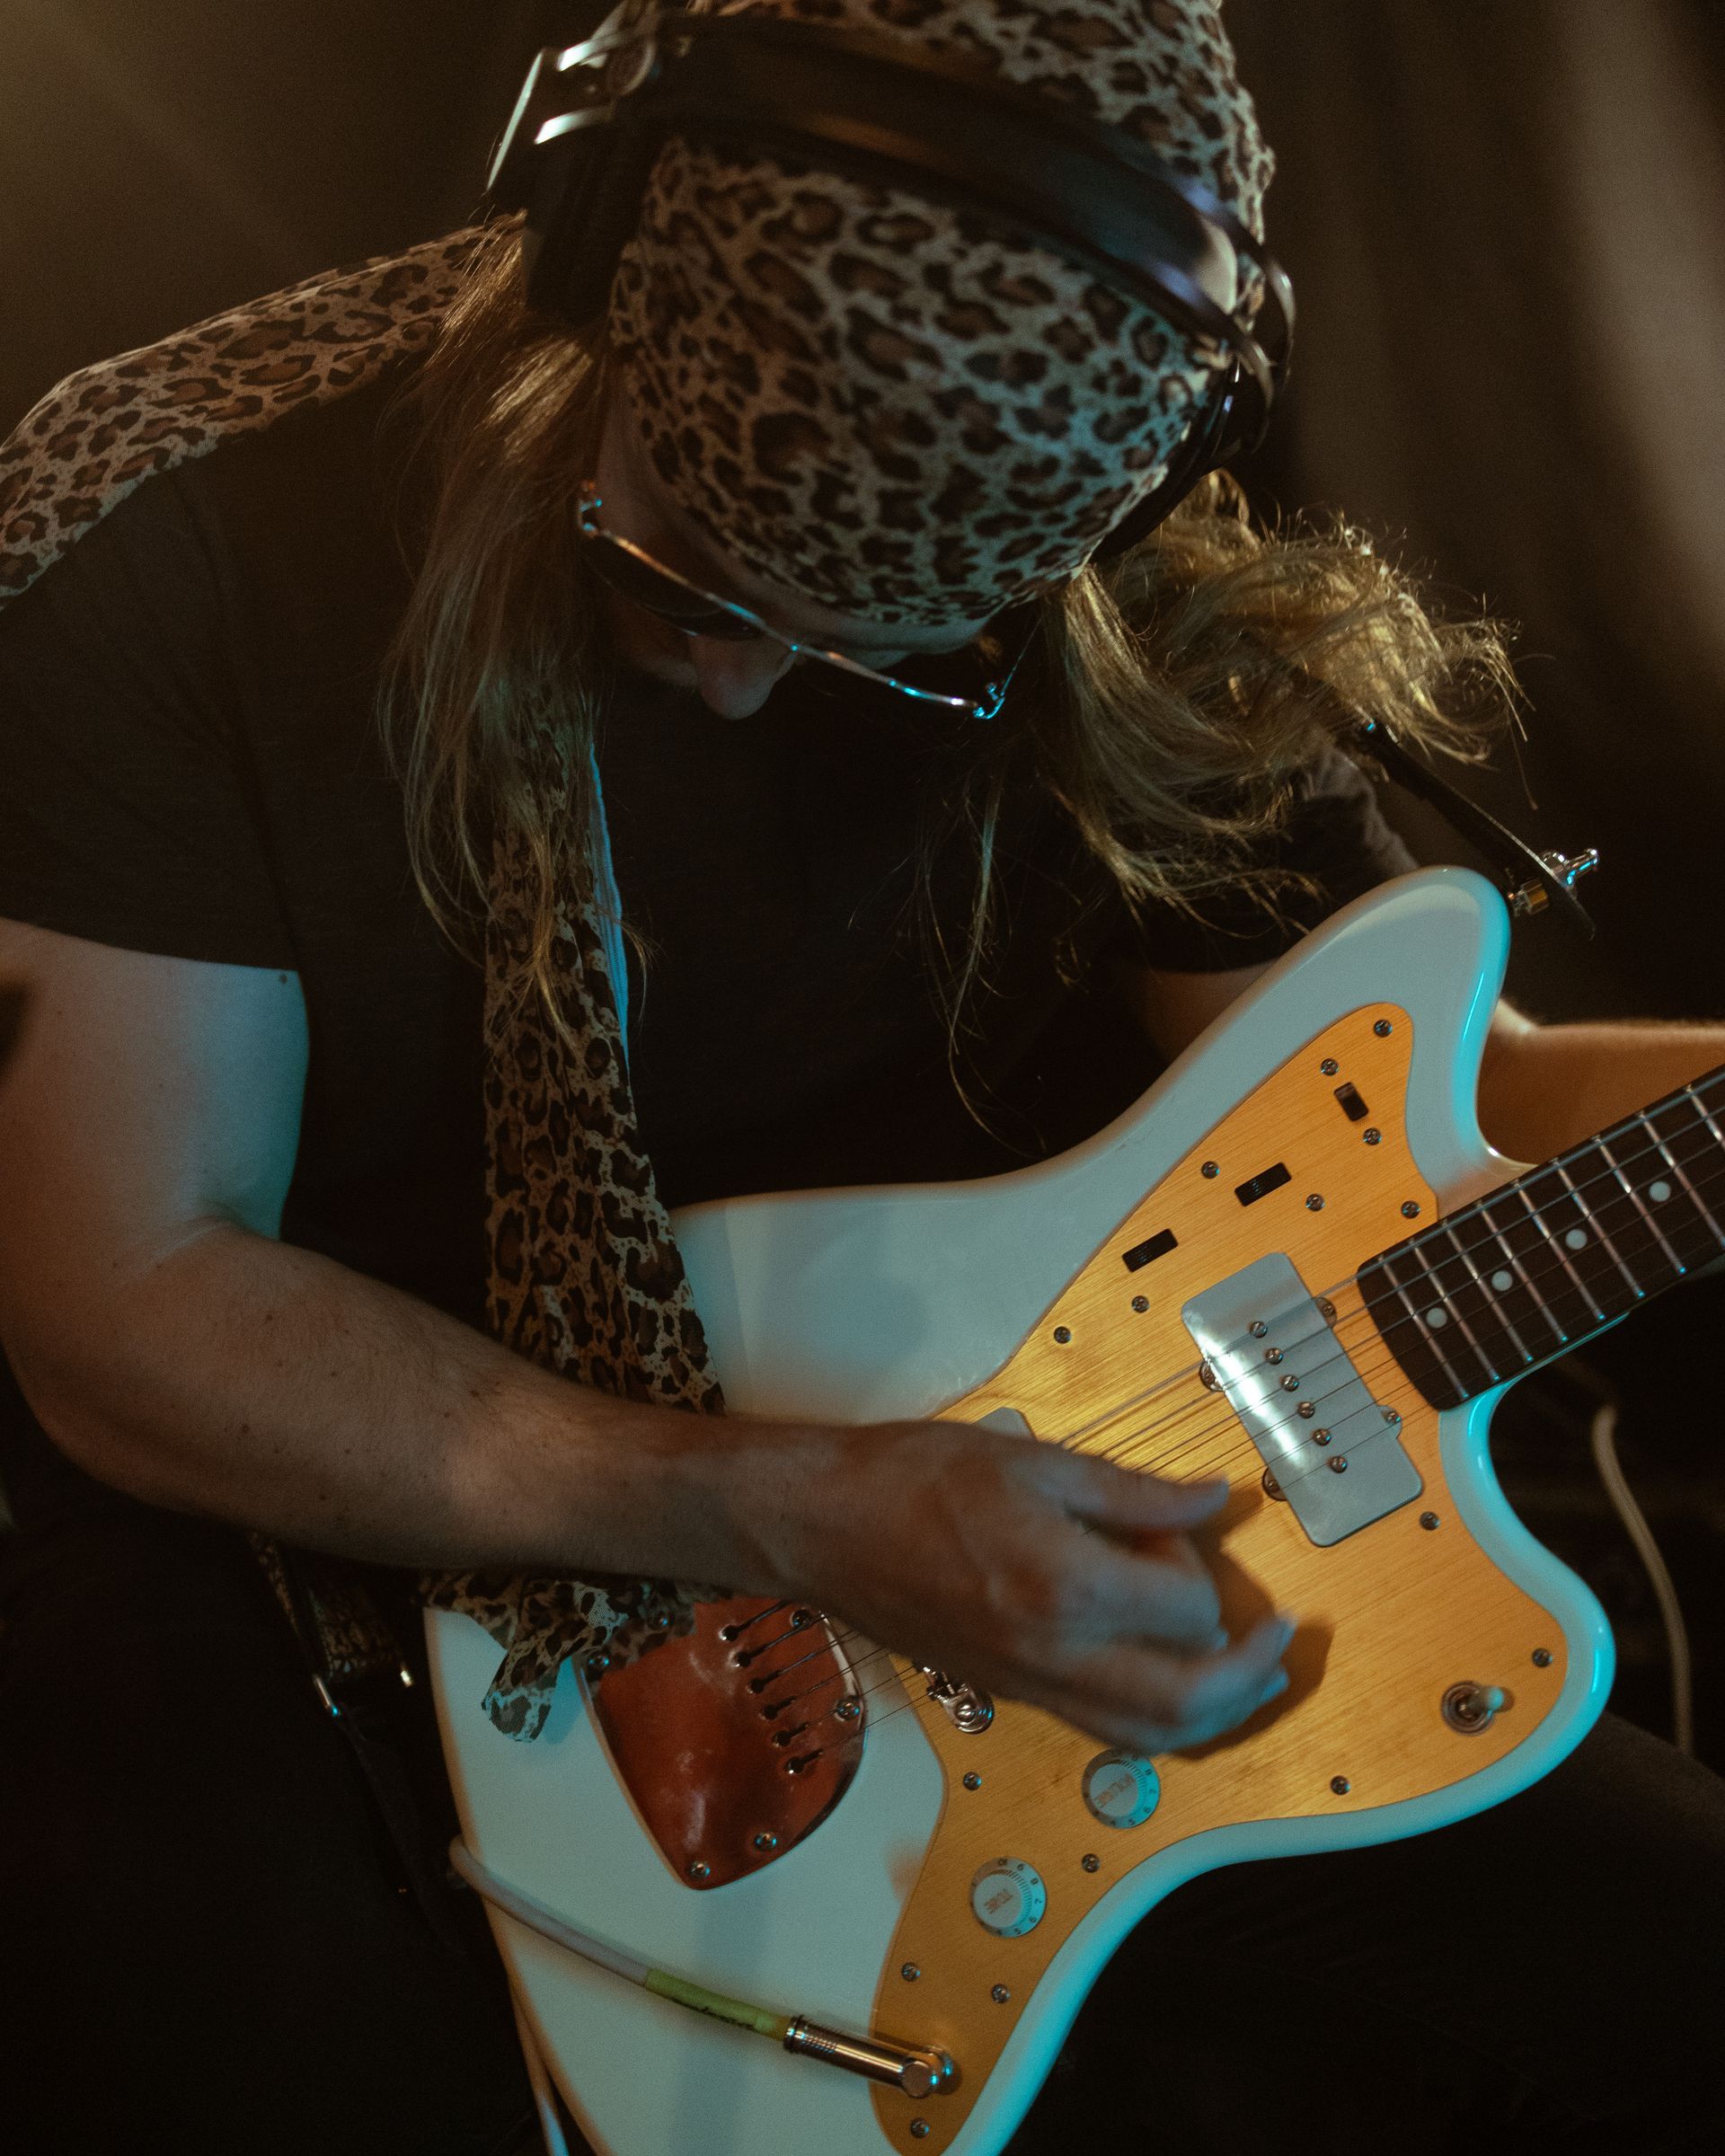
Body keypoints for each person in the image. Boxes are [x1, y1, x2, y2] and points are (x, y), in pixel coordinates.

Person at [0, 2, 1721, 2152]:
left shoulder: (1111, 557)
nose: (739, 686)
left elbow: (1398, 1105)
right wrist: (787, 1511)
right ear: (597, 250)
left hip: (996, 1530)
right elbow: (124, 1296)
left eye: (905, 650)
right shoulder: (189, 536)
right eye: (674, 581)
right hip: (318, 1533)